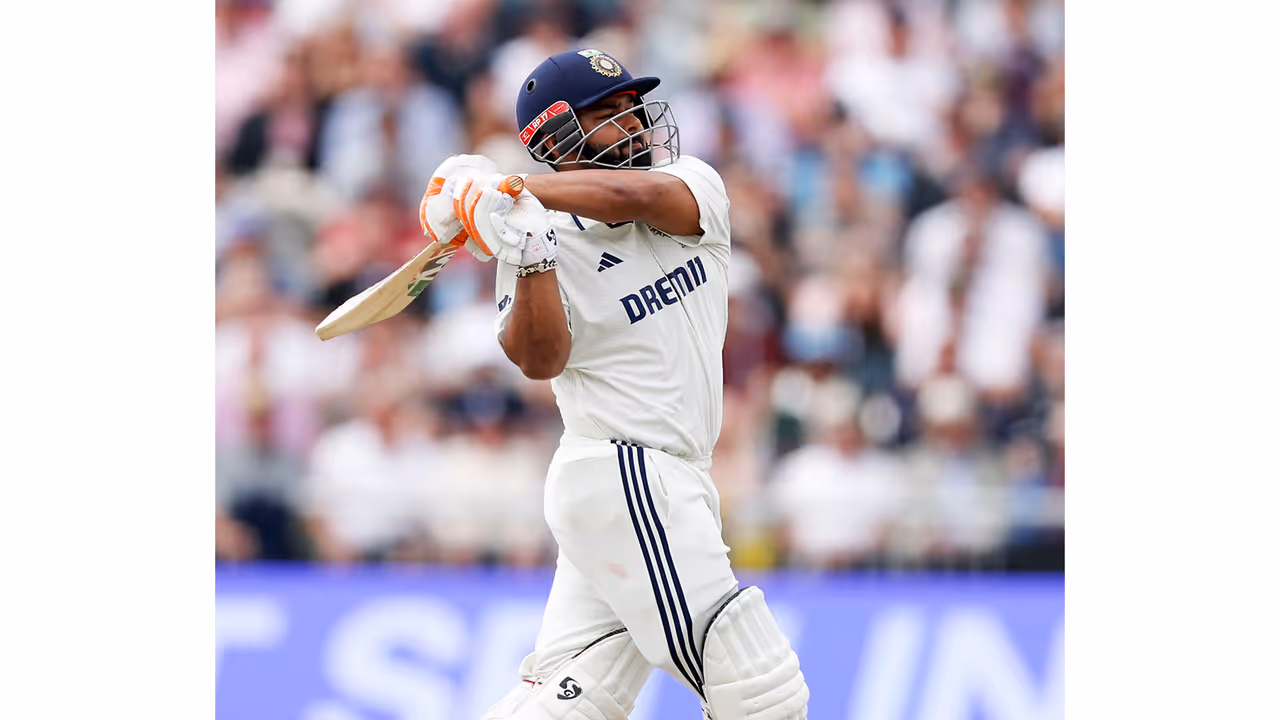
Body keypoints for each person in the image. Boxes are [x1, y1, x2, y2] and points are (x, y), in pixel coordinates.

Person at [419, 49, 808, 719]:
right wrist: (529, 250)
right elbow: (539, 359)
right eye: (608, 113)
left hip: (662, 480)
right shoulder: (535, 234)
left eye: (633, 106)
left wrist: (507, 190)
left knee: (569, 703)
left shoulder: (690, 183)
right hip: (623, 471)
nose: (633, 122)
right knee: (761, 693)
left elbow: (635, 197)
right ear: (557, 137)